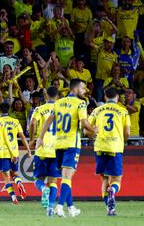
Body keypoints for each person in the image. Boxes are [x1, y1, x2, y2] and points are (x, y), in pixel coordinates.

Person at [36, 79, 97, 217]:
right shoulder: (81, 103)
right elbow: (83, 122)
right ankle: (59, 206)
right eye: (82, 88)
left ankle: (71, 207)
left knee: (65, 178)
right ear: (75, 89)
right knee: (67, 178)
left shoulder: (58, 103)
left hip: (58, 145)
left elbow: (48, 121)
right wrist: (93, 129)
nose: (85, 91)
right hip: (71, 145)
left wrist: (40, 137)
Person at [86, 87, 131, 216]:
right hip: (115, 147)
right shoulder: (123, 111)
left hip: (100, 147)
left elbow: (86, 131)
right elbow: (127, 132)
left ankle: (110, 208)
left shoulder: (97, 110)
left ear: (105, 97)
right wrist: (122, 140)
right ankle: (113, 191)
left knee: (105, 179)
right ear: (117, 97)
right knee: (116, 180)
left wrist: (93, 136)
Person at [29, 86, 60, 217]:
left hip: (42, 148)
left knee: (38, 178)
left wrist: (32, 139)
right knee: (53, 181)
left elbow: (32, 123)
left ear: (45, 95)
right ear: (57, 96)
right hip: (56, 149)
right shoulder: (62, 110)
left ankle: (43, 189)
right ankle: (50, 209)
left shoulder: (39, 109)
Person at [1, 102, 31, 200]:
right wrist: (28, 150)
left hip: (3, 152)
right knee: (15, 172)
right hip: (14, 152)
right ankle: (19, 183)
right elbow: (22, 137)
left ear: (0, 111)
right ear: (9, 110)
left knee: (6, 177)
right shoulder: (15, 121)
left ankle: (13, 197)